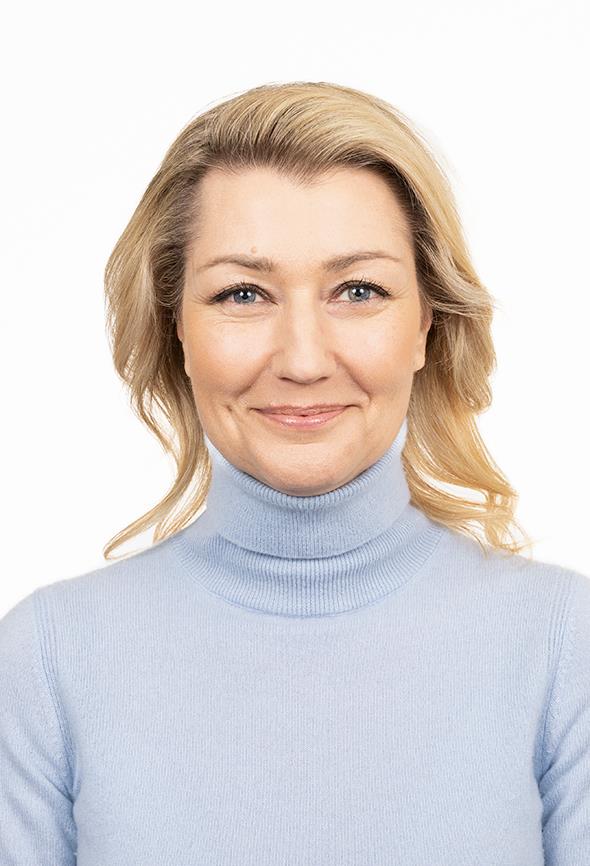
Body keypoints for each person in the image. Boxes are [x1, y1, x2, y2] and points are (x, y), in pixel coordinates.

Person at [1, 80, 588, 865]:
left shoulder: (563, 645)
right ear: (176, 328)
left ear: (425, 323)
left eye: (359, 291)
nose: (304, 360)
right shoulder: (48, 660)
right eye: (243, 293)